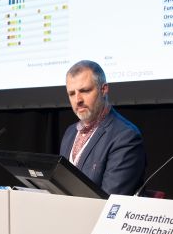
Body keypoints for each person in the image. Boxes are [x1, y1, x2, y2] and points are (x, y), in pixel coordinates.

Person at [59, 60, 146, 196]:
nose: (78, 100)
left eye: (85, 91)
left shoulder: (126, 136)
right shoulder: (70, 132)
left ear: (104, 89)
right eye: (71, 94)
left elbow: (110, 199)